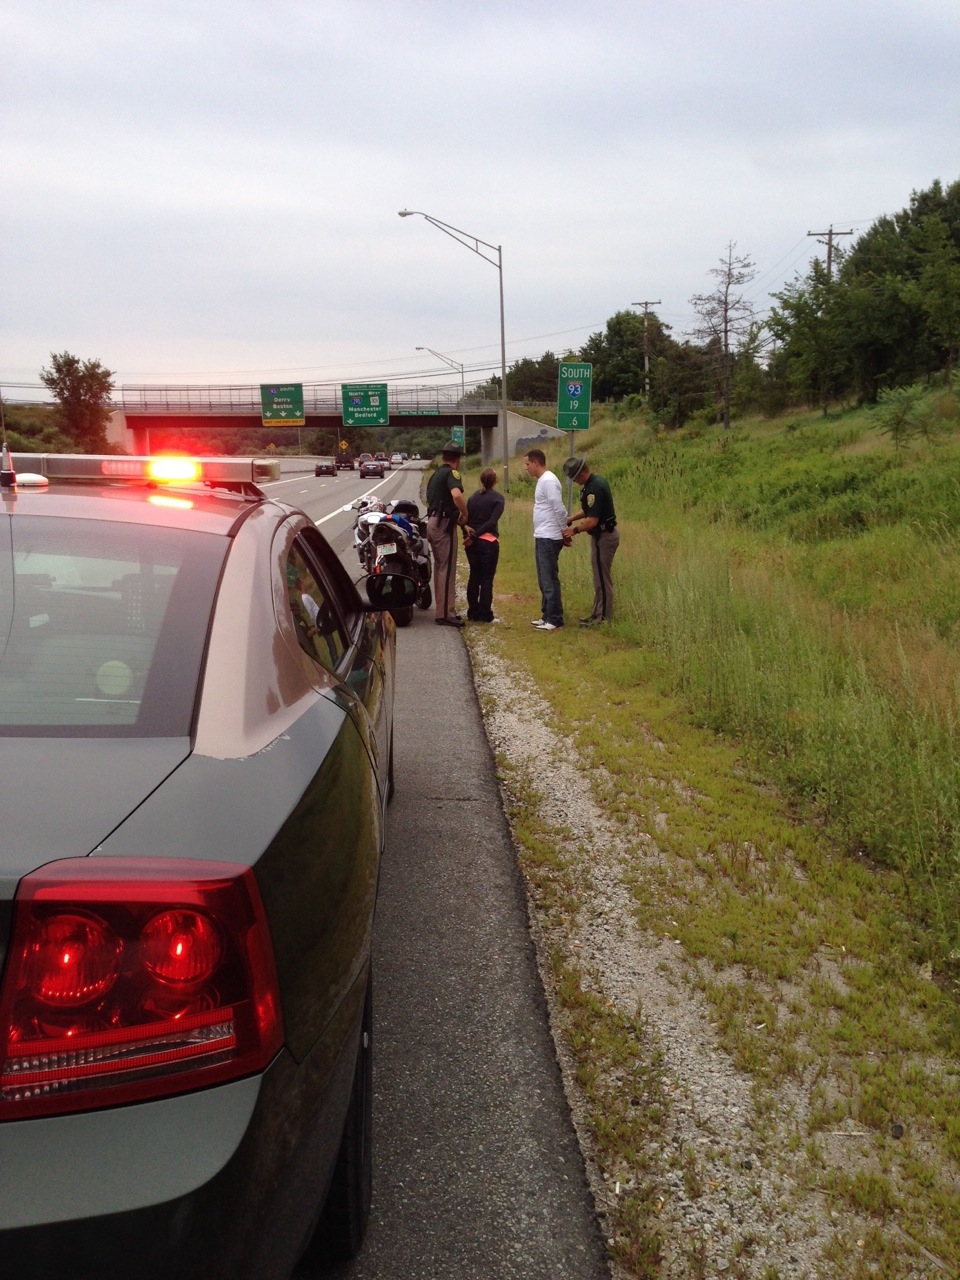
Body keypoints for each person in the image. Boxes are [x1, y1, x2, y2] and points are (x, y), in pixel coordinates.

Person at [562, 454, 620, 625]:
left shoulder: (594, 488)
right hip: (599, 536)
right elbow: (589, 510)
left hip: (604, 536)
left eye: (574, 478)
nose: (574, 482)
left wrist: (574, 530)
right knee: (598, 578)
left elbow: (592, 520)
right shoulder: (593, 484)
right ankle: (596, 614)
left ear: (581, 474)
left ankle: (603, 618)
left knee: (602, 579)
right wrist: (572, 517)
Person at [425, 440, 469, 627]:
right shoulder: (452, 473)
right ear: (457, 459)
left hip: (433, 522)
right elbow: (456, 495)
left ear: (443, 457)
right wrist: (465, 514)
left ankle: (442, 610)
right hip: (443, 525)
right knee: (447, 568)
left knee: (440, 567)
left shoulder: (435, 475)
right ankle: (445, 614)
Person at [524, 448, 567, 632]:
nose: (526, 468)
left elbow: (558, 507)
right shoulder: (542, 481)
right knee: (543, 579)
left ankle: (555, 618)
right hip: (542, 535)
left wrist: (564, 530)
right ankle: (546, 615)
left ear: (535, 462)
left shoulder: (548, 480)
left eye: (527, 464)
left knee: (549, 579)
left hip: (549, 536)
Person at [463, 467, 505, 623]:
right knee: (487, 579)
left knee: (474, 576)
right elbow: (492, 521)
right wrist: (476, 535)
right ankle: (485, 614)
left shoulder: (473, 497)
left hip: (472, 544)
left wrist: (470, 536)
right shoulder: (498, 499)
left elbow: (465, 518)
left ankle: (472, 612)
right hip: (488, 542)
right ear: (495, 481)